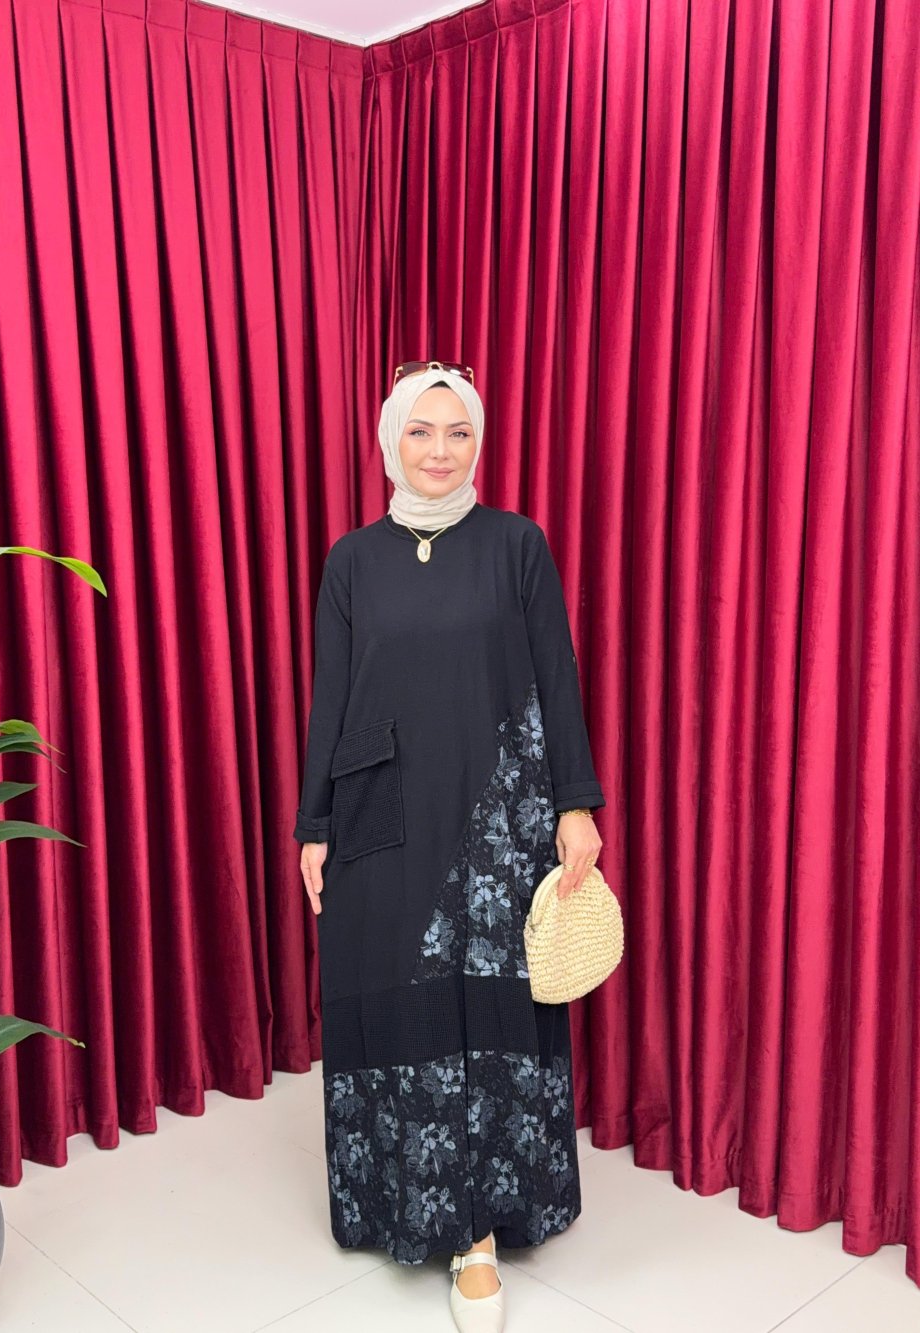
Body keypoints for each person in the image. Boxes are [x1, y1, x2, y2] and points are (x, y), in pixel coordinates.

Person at [293, 360, 605, 1332]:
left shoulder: (516, 545)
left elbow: (556, 674)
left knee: (487, 1006)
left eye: (457, 431)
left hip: (496, 817)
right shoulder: (352, 560)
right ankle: (401, 1196)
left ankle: (476, 1233)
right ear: (392, 440)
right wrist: (314, 823)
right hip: (379, 813)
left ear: (478, 440)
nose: (439, 450)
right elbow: (331, 695)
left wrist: (576, 803)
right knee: (399, 999)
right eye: (420, 431)